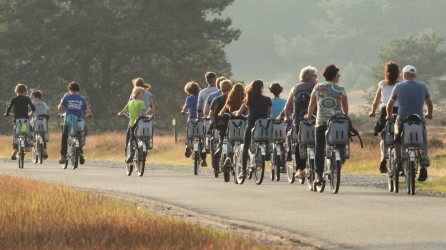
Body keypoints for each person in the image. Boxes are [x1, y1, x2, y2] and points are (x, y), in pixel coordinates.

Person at [386, 65, 433, 182]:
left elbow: (389, 105)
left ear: (404, 75)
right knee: (423, 140)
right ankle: (423, 164)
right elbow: (430, 104)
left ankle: (400, 162)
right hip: (418, 120)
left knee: (397, 139)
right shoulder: (423, 86)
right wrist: (429, 114)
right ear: (414, 75)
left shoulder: (398, 86)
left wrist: (389, 115)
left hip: (402, 120)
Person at [305, 65, 348, 184]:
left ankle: (319, 176)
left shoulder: (317, 87)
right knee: (341, 142)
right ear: (334, 76)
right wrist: (345, 116)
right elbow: (345, 105)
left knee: (319, 148)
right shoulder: (340, 89)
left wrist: (308, 116)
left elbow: (311, 104)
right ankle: (339, 161)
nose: (338, 77)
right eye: (338, 75)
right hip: (337, 122)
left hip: (321, 122)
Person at [283, 66, 318, 178]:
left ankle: (301, 170)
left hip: (299, 121)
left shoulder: (295, 88)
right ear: (310, 77)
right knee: (319, 142)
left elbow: (287, 108)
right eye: (315, 76)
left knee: (300, 143)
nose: (316, 78)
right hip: (316, 119)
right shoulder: (317, 87)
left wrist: (288, 118)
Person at [235, 80, 272, 178]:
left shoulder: (249, 99)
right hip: (263, 126)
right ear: (261, 88)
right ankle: (268, 150)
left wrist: (237, 114)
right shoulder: (267, 99)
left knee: (246, 145)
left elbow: (239, 112)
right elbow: (269, 113)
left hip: (251, 125)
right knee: (266, 138)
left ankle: (243, 170)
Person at [369, 61, 400, 173]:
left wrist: (372, 111)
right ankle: (400, 161)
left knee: (383, 135)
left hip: (384, 112)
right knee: (399, 137)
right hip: (397, 111)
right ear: (398, 73)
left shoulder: (382, 84)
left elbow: (376, 100)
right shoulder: (400, 84)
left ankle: (383, 159)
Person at [58, 81, 92, 164]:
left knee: (65, 135)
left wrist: (61, 102)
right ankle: (80, 153)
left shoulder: (66, 97)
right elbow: (86, 112)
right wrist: (88, 115)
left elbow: (60, 109)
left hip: (69, 121)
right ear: (78, 89)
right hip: (79, 121)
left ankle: (63, 155)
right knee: (79, 135)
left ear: (69, 89)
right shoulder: (82, 99)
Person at [118, 87, 152, 163]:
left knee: (131, 138)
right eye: (143, 94)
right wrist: (148, 112)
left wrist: (120, 114)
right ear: (139, 94)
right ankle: (143, 151)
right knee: (142, 136)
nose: (144, 95)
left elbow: (123, 111)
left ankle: (131, 154)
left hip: (132, 124)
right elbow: (141, 114)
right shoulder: (141, 103)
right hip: (140, 124)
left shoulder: (130, 103)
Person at [4, 83, 36, 160]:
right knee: (28, 129)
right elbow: (33, 107)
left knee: (16, 133)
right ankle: (29, 141)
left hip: (17, 120)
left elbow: (9, 108)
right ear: (24, 91)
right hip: (25, 120)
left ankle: (15, 150)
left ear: (16, 91)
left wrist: (7, 114)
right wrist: (31, 112)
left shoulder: (13, 99)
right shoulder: (27, 99)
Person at [208, 79, 233, 171]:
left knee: (221, 140)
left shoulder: (216, 99)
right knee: (231, 142)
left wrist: (210, 118)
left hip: (219, 124)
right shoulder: (232, 99)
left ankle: (216, 167)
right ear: (231, 88)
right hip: (231, 124)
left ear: (220, 88)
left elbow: (211, 114)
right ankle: (231, 160)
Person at [196, 72, 218, 167]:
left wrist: (198, 117)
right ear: (216, 79)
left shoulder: (202, 92)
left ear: (206, 80)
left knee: (203, 137)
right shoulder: (220, 90)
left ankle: (204, 159)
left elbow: (199, 107)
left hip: (208, 118)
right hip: (220, 118)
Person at [181, 81, 202, 158]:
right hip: (200, 118)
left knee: (189, 132)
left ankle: (188, 145)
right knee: (201, 133)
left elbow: (184, 108)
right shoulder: (200, 97)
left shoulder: (189, 98)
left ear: (188, 90)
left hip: (191, 118)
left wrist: (183, 111)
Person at [30, 90, 50, 159]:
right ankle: (44, 149)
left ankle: (30, 139)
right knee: (43, 134)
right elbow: (47, 110)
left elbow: (32, 112)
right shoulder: (44, 103)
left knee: (29, 125)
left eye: (31, 96)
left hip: (36, 121)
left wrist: (30, 114)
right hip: (44, 121)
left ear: (34, 96)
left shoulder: (33, 103)